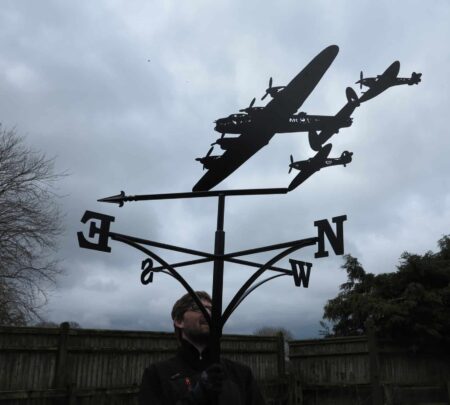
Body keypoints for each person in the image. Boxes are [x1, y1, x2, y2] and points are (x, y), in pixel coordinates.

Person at [138, 291, 266, 405]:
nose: (208, 313)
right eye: (198, 308)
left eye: (212, 309)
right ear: (179, 321)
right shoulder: (157, 374)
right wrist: (197, 396)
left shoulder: (240, 374)